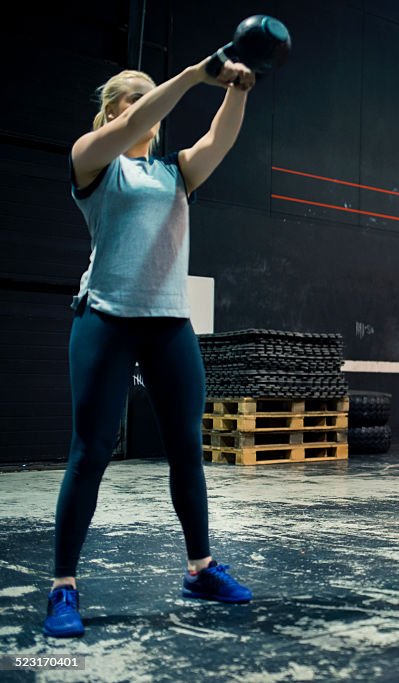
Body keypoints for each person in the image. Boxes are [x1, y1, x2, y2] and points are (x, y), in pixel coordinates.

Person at [44, 57, 256, 638]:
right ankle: (63, 587)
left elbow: (218, 139)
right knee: (90, 453)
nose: (143, 109)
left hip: (168, 325)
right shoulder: (92, 160)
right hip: (105, 320)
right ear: (113, 111)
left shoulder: (174, 174)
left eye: (148, 101)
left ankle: (201, 568)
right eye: (133, 99)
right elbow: (136, 119)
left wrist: (237, 89)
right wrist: (191, 76)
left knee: (187, 448)